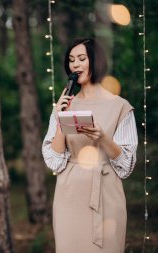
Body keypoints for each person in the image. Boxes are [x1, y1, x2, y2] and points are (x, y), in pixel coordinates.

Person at [42, 38, 138, 253]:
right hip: (69, 196)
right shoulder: (63, 104)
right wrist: (60, 117)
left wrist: (102, 137)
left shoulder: (120, 107)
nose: (75, 65)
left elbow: (127, 165)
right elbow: (54, 161)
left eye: (82, 59)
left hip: (106, 192)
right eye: (71, 60)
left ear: (96, 61)